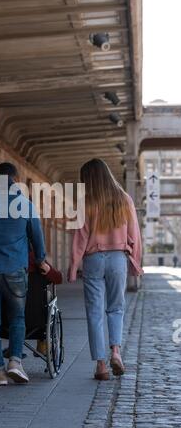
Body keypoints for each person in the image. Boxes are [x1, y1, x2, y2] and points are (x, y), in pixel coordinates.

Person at [0, 162, 49, 385]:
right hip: (15, 269)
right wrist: (41, 259)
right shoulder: (25, 204)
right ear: (16, 180)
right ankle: (15, 361)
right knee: (17, 317)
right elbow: (37, 238)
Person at [67, 158, 143, 380]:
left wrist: (73, 267)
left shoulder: (85, 203)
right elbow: (134, 235)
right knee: (116, 308)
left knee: (94, 311)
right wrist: (136, 261)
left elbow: (79, 238)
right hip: (118, 259)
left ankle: (101, 365)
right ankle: (116, 352)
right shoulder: (124, 200)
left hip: (93, 260)